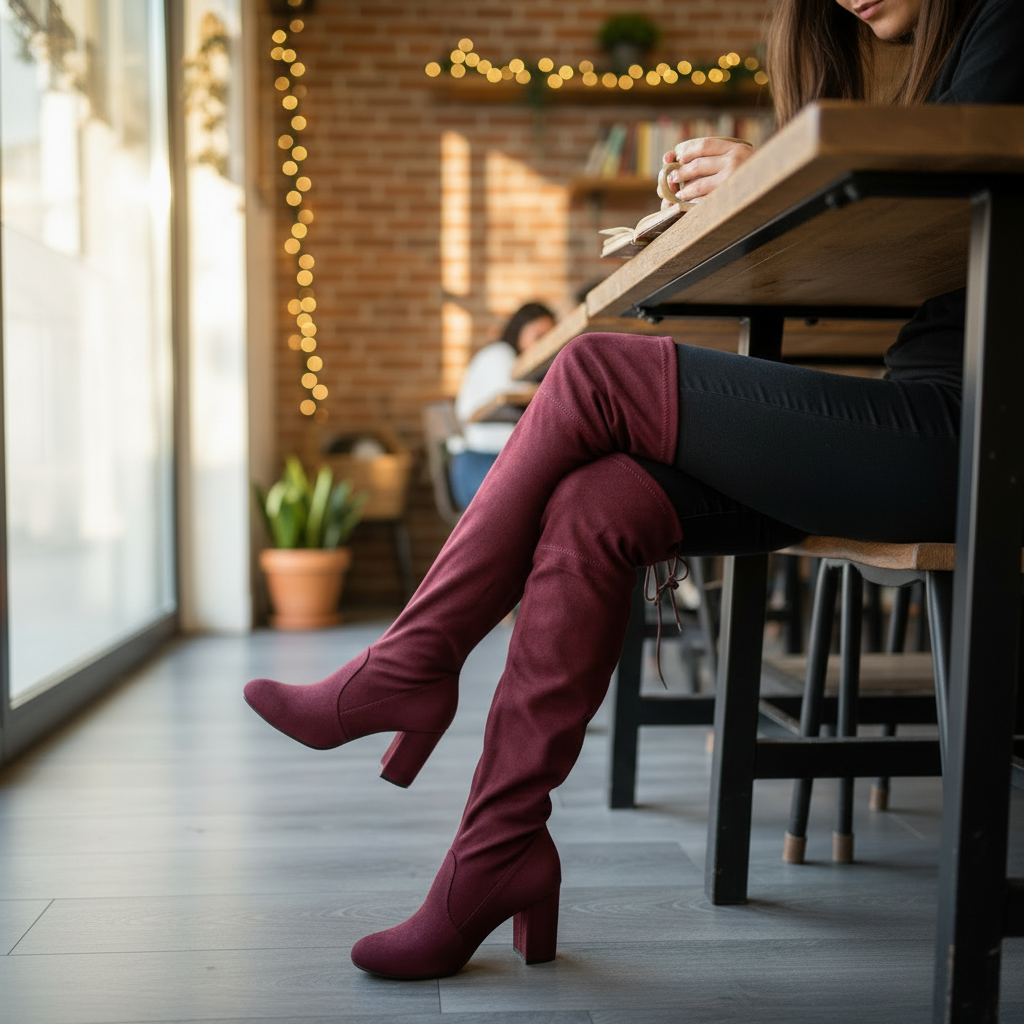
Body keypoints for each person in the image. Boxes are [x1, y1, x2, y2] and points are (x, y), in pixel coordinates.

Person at [244, 0, 1024, 981]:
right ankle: (492, 857)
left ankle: (411, 662)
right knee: (597, 502)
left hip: (977, 439)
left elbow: (945, 206)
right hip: (920, 418)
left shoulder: (1006, 18)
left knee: (594, 371)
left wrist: (771, 181)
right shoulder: (932, 59)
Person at [447, 302, 555, 509]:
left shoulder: (504, 359)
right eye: (538, 337)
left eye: (550, 338)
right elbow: (513, 395)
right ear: (519, 330)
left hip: (478, 465)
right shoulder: (500, 354)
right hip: (480, 464)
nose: (544, 345)